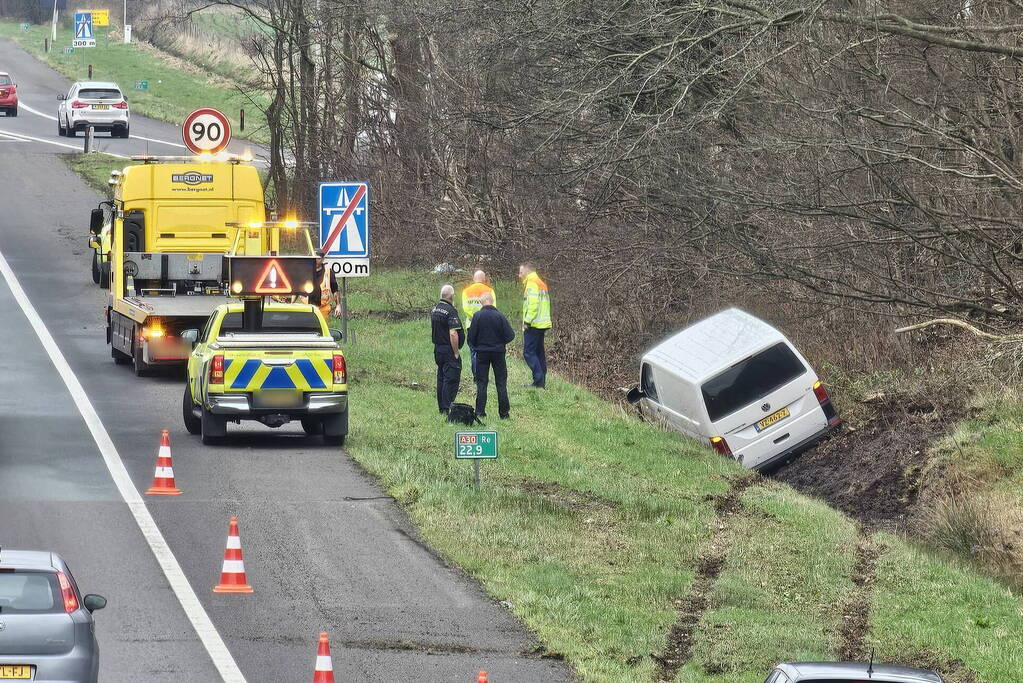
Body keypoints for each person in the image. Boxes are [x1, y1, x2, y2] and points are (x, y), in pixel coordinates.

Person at [468, 291, 515, 419]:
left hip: (482, 353)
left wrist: (478, 346)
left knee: (482, 383)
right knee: (501, 383)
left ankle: (480, 412)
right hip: (498, 353)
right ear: (492, 301)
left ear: (482, 302)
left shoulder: (477, 316)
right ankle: (504, 414)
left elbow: (470, 338)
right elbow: (511, 335)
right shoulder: (500, 316)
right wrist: (500, 343)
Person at [430, 284, 464, 414]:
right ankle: (447, 409)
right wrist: (456, 352)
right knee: (451, 379)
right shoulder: (450, 311)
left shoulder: (435, 309)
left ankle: (442, 408)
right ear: (451, 296)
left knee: (441, 378)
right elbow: (453, 333)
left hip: (438, 349)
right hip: (448, 350)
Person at [519, 263, 552, 388]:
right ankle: (541, 380)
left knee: (528, 352)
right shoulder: (540, 282)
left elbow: (533, 304)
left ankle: (538, 380)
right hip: (542, 323)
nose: (519, 275)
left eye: (521, 272)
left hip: (534, 323)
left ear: (527, 272)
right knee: (539, 352)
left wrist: (527, 321)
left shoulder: (532, 283)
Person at [460, 270, 496, 380]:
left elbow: (465, 309)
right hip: (487, 325)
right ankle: (483, 375)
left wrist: (475, 318)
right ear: (484, 279)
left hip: (471, 324)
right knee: (484, 350)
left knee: (473, 350)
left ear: (474, 279)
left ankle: (476, 375)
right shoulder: (490, 290)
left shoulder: (466, 291)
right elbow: (493, 308)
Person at [307, 250, 342, 321]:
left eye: (318, 258)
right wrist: (291, 304)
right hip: (307, 307)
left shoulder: (328, 272)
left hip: (323, 308)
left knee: (321, 329)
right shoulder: (305, 271)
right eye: (313, 258)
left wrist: (338, 305)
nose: (315, 260)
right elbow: (296, 288)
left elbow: (335, 289)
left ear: (323, 259)